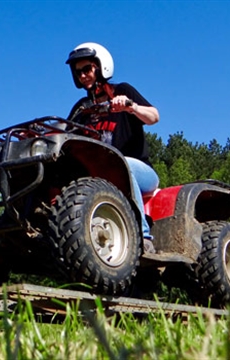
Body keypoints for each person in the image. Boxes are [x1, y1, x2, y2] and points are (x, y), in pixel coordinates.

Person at [65, 42, 160, 254]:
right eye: (77, 72)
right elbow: (65, 133)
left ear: (100, 67)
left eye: (86, 69)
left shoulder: (122, 91)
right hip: (100, 179)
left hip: (139, 172)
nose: (82, 76)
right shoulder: (82, 108)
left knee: (121, 162)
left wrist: (130, 106)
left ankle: (143, 236)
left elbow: (154, 116)